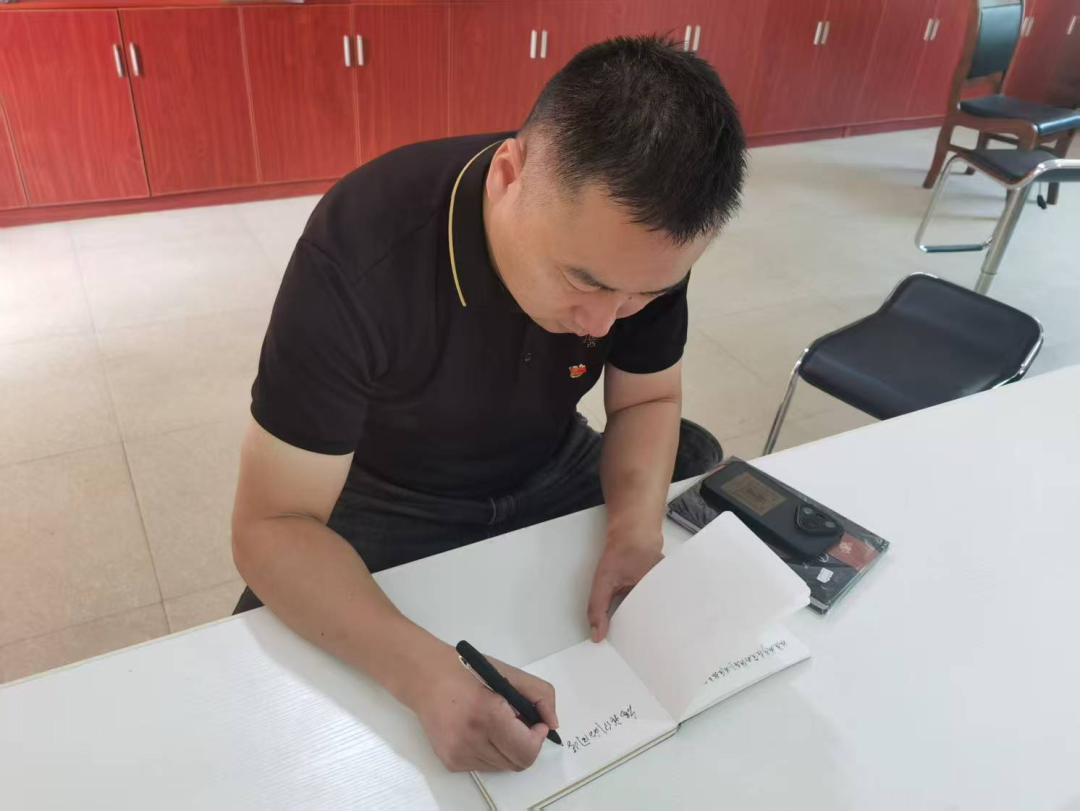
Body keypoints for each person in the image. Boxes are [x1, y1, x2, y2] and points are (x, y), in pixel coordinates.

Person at [231, 35, 747, 774]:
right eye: (584, 281)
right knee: (265, 667)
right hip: (391, 489)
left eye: (644, 295)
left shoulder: (641, 252)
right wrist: (424, 675)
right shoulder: (362, 250)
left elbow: (648, 397)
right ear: (509, 175)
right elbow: (269, 525)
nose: (605, 322)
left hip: (550, 457)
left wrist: (635, 532)